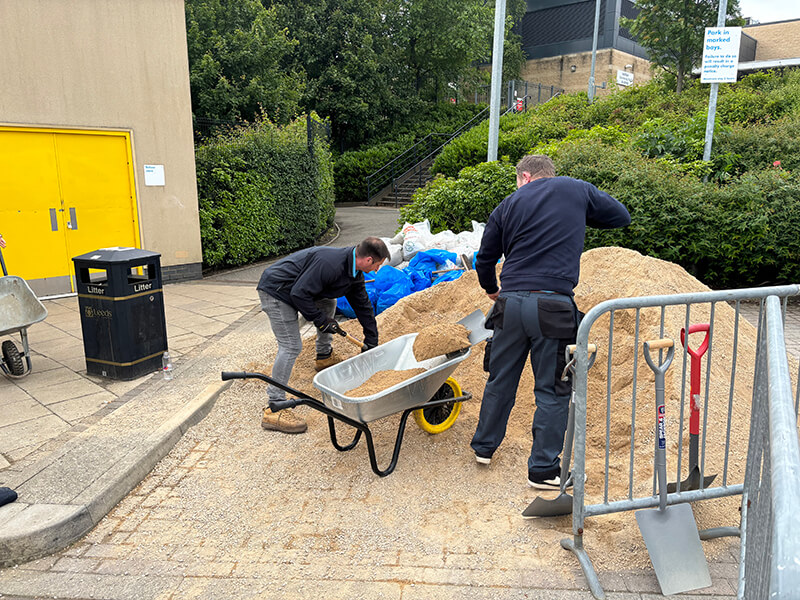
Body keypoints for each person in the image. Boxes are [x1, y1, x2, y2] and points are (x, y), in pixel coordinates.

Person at [471, 154, 630, 489]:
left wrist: (491, 289)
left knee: (500, 378)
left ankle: (483, 447)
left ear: (525, 176)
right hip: (553, 305)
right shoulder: (576, 189)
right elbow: (620, 216)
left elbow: (484, 257)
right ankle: (543, 469)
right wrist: (580, 213)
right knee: (552, 389)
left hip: (509, 304)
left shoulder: (508, 204)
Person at [256, 237, 390, 434]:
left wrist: (371, 341)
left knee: (329, 302)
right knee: (291, 345)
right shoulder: (331, 264)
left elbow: (363, 307)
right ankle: (274, 407)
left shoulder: (354, 274)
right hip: (277, 291)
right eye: (378, 265)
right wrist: (321, 320)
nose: (377, 270)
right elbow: (299, 294)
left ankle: (324, 357)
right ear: (369, 260)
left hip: (298, 288)